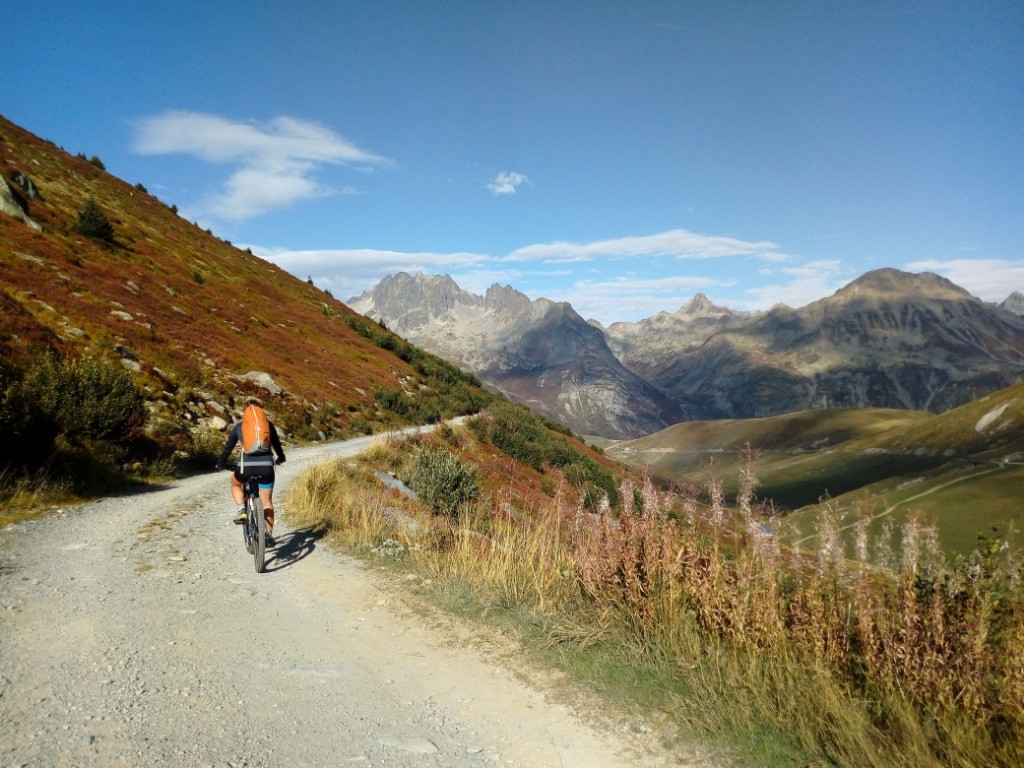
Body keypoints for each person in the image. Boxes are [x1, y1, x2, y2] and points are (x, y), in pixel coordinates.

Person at [215, 400, 286, 546]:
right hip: (266, 466)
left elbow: (228, 448)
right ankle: (267, 534)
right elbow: (278, 447)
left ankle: (242, 509)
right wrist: (281, 458)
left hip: (245, 467)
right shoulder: (268, 426)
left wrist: (220, 464)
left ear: (245, 411)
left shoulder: (239, 427)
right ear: (261, 411)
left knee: (235, 484)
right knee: (267, 502)